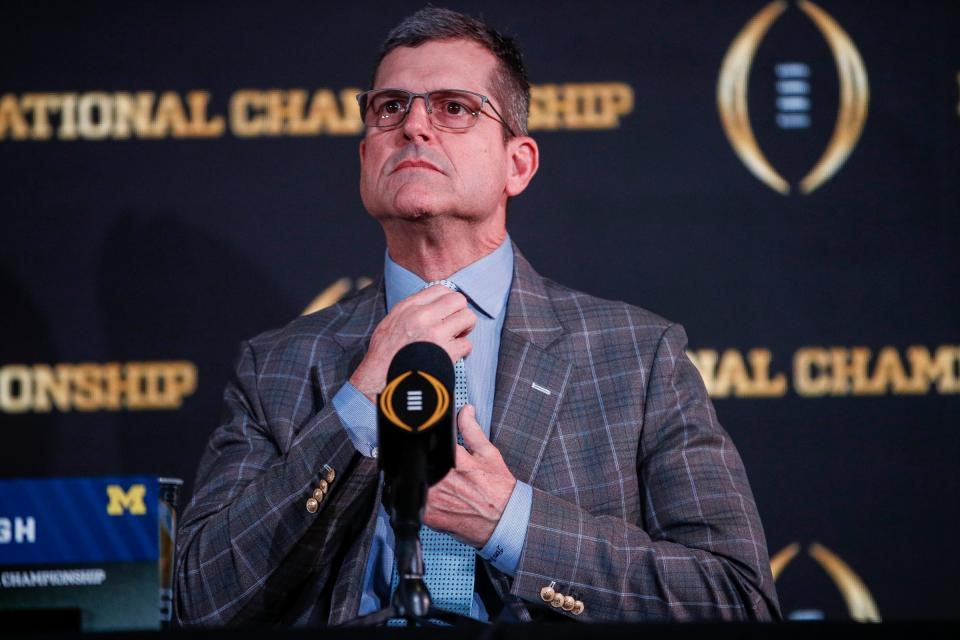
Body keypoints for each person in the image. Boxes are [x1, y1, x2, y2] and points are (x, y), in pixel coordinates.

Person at [174, 7, 780, 626]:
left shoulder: (637, 357)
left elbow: (737, 600)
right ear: (364, 159)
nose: (413, 127)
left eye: (454, 108)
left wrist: (510, 522)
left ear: (517, 164)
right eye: (390, 108)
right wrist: (355, 406)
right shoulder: (277, 365)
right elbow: (200, 601)